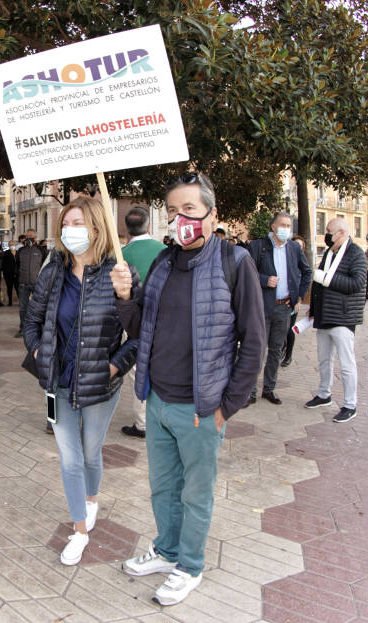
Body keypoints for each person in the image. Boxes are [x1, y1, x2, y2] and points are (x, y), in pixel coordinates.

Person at [111, 172, 264, 606]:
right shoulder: (161, 262)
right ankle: (167, 549)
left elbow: (253, 342)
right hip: (157, 400)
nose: (181, 219)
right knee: (162, 486)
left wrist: (226, 408)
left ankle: (190, 565)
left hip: (202, 408)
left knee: (196, 492)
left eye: (190, 210)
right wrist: (126, 299)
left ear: (213, 215)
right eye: (174, 211)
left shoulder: (235, 263)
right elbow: (143, 329)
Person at [25, 196, 139, 567]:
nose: (70, 231)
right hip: (58, 379)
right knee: (70, 458)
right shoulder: (52, 272)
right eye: (66, 225)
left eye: (78, 223)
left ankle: (92, 500)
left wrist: (113, 368)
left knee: (91, 452)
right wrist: (40, 351)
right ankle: (79, 531)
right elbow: (31, 321)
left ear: (96, 228)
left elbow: (139, 334)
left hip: (101, 384)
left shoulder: (120, 272)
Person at [304, 217, 367, 422]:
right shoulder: (330, 253)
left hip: (343, 317)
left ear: (341, 233)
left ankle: (350, 404)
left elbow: (357, 283)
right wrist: (313, 309)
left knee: (347, 364)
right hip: (324, 315)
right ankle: (324, 394)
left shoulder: (355, 253)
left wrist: (327, 279)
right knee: (324, 359)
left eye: (329, 231)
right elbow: (319, 283)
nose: (327, 234)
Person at [247, 212, 312, 406]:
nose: (286, 229)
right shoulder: (258, 247)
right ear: (273, 226)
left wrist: (299, 296)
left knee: (276, 350)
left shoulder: (293, 248)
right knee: (257, 350)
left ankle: (269, 389)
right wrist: (265, 280)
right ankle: (250, 391)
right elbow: (246, 273)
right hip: (262, 307)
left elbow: (307, 271)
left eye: (288, 225)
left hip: (284, 307)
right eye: (282, 225)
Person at [119, 207, 166, 439]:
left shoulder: (121, 255)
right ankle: (162, 417)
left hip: (135, 322)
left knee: (138, 370)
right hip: (165, 321)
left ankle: (142, 423)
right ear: (149, 227)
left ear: (127, 229)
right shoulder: (166, 251)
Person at [282, 235, 306, 367]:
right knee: (281, 328)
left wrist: (299, 300)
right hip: (282, 301)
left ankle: (288, 356)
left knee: (289, 328)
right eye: (296, 245)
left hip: (294, 301)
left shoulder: (302, 264)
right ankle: (282, 347)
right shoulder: (285, 259)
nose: (298, 248)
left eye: (301, 246)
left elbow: (304, 282)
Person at [15, 229, 43, 338]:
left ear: (35, 237)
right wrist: (18, 277)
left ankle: (39, 329)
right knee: (23, 307)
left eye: (31, 236)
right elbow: (16, 265)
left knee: (39, 307)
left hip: (37, 283)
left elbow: (46, 266)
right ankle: (23, 328)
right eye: (28, 236)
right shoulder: (21, 250)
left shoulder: (41, 250)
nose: (29, 238)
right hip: (23, 283)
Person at [1, 241, 17, 306]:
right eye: (10, 245)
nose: (12, 246)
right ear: (8, 245)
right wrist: (4, 273)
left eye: (13, 244)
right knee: (9, 288)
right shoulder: (6, 253)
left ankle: (21, 302)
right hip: (8, 274)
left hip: (17, 274)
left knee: (17, 288)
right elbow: (3, 264)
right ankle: (10, 302)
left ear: (15, 245)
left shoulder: (18, 252)